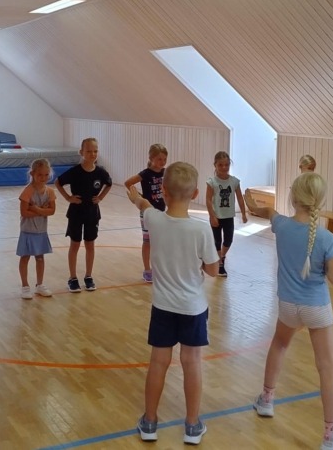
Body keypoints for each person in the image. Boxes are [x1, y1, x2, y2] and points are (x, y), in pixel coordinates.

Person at [246, 174, 333, 450]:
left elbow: (271, 213)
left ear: (293, 197)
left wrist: (254, 206)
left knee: (279, 345)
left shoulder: (282, 226)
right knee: (326, 366)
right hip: (316, 308)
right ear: (320, 200)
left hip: (288, 306)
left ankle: (266, 400)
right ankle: (331, 434)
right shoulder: (326, 238)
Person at [127, 162, 220, 445]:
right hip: (193, 308)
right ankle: (192, 425)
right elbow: (213, 270)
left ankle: (150, 421)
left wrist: (135, 196)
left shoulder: (154, 221)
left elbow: (143, 204)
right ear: (195, 195)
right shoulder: (201, 230)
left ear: (163, 192)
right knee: (192, 363)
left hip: (163, 307)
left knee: (158, 363)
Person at [54, 137, 112, 293]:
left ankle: (88, 276)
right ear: (81, 152)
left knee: (90, 244)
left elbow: (109, 184)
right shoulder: (75, 172)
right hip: (76, 213)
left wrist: (100, 197)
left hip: (92, 213)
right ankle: (72, 278)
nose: (92, 154)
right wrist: (68, 197)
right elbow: (58, 182)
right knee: (75, 244)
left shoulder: (101, 172)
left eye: (95, 151)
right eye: (89, 151)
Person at [124, 143, 169, 283]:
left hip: (161, 211)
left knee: (159, 242)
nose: (162, 162)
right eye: (159, 159)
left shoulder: (166, 173)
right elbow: (128, 183)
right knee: (148, 241)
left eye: (164, 159)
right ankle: (147, 270)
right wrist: (139, 198)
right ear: (151, 158)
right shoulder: (145, 174)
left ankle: (159, 269)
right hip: (147, 212)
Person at [18, 158, 57, 299]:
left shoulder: (50, 192)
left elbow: (52, 211)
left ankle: (39, 285)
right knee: (25, 258)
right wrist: (42, 210)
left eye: (46, 175)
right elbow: (24, 213)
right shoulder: (27, 191)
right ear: (32, 174)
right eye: (40, 175)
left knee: (40, 258)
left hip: (41, 231)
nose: (43, 178)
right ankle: (25, 286)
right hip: (28, 231)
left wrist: (35, 209)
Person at [205, 151, 247, 277]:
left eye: (226, 165)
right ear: (215, 165)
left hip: (228, 216)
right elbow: (208, 200)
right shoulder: (212, 182)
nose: (224, 167)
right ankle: (220, 264)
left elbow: (240, 198)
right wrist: (212, 216)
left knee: (228, 240)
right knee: (217, 240)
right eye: (220, 165)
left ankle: (222, 256)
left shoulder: (234, 181)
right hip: (216, 216)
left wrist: (244, 213)